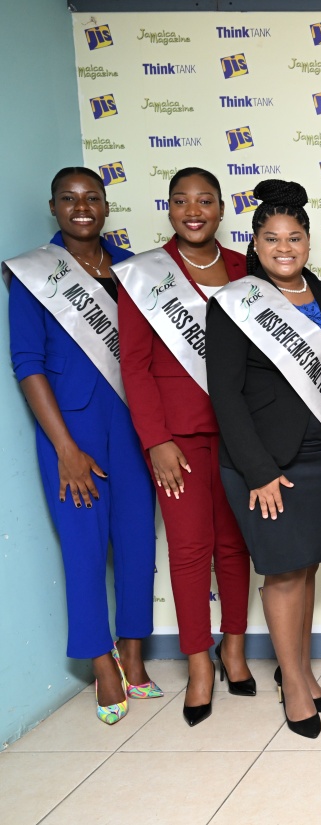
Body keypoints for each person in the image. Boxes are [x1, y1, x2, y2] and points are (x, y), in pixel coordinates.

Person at [5, 167, 157, 725]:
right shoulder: (33, 273)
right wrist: (65, 448)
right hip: (71, 436)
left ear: (106, 204)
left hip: (134, 429)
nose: (81, 207)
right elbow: (28, 364)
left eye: (92, 197)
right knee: (85, 552)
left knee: (138, 545)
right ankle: (104, 667)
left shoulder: (133, 269)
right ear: (53, 206)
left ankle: (135, 659)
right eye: (69, 199)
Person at [114, 167, 254, 727]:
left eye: (204, 201)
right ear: (168, 209)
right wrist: (156, 441)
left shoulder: (247, 267)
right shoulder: (145, 275)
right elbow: (135, 366)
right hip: (179, 440)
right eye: (181, 201)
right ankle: (199, 663)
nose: (193, 210)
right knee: (191, 550)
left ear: (221, 208)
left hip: (241, 434)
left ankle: (235, 651)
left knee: (236, 547)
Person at [207, 179, 321, 739]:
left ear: (308, 241)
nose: (284, 247)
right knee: (284, 573)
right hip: (265, 464)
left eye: (294, 237)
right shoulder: (236, 304)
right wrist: (259, 472)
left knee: (306, 569)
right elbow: (225, 396)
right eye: (271, 238)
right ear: (256, 245)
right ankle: (292, 688)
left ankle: (303, 675)